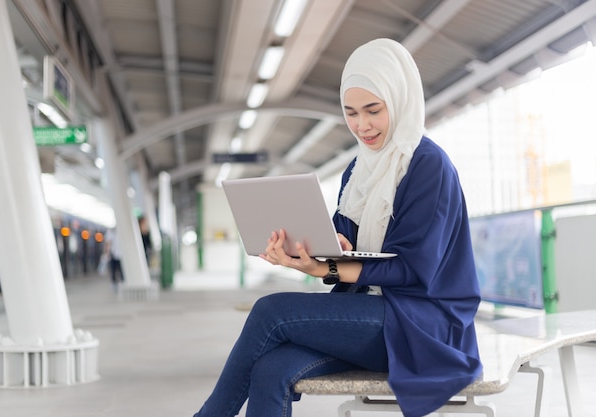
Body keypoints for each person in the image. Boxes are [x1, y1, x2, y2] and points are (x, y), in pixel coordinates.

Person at [192, 38, 482, 417]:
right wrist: (302, 253)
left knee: (270, 312)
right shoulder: (358, 170)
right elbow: (337, 245)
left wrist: (324, 267)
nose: (362, 125)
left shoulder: (428, 165)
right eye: (351, 112)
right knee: (270, 368)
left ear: (399, 99)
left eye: (373, 110)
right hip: (368, 315)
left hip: (421, 325)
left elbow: (413, 269)